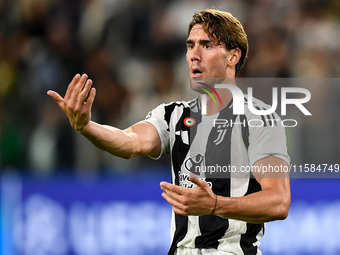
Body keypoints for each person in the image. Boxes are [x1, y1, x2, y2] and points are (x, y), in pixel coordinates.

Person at [47, 8, 290, 255]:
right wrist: (86, 127)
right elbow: (130, 142)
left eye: (206, 46)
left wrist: (216, 204)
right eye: (190, 45)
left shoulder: (260, 119)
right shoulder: (172, 115)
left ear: (232, 56)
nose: (194, 55)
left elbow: (279, 201)